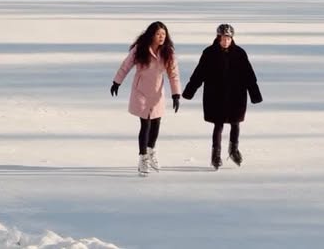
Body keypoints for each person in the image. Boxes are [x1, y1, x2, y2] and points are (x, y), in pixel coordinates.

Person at [182, 23, 262, 170]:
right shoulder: (209, 53)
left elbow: (249, 75)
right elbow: (199, 74)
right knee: (218, 125)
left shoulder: (240, 53)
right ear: (218, 38)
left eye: (228, 38)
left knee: (235, 123)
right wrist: (189, 91)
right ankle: (216, 155)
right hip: (215, 95)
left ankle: (233, 150)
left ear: (232, 38)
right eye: (223, 38)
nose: (225, 41)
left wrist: (254, 94)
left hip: (236, 95)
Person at [110, 21, 181, 176]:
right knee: (146, 124)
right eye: (158, 34)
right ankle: (142, 158)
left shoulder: (168, 52)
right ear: (151, 35)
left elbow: (173, 74)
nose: (161, 37)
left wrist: (176, 93)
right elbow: (126, 65)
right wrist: (117, 82)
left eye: (164, 34)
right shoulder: (140, 49)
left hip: (157, 94)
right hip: (141, 92)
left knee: (156, 123)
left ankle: (151, 152)